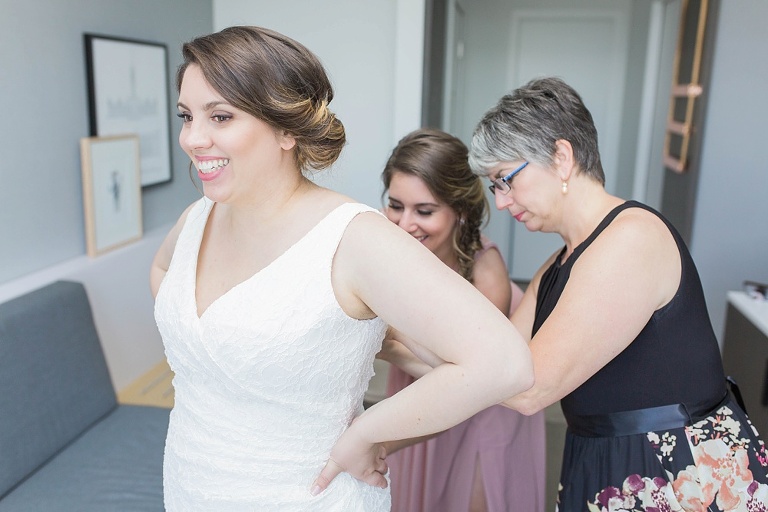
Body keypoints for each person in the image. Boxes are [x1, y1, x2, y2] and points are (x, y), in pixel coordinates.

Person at [149, 26, 534, 511]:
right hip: (190, 484)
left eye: (220, 116)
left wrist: (369, 431)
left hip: (303, 495)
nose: (192, 139)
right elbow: (165, 274)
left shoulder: (354, 238)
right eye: (186, 116)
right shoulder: (197, 217)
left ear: (288, 128)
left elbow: (504, 364)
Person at [466, 76, 768, 510]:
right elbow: (496, 360)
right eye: (495, 186)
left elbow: (526, 388)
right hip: (601, 459)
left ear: (561, 157)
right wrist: (397, 345)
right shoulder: (552, 269)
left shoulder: (631, 240)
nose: (501, 201)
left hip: (676, 468)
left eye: (506, 179)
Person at [377, 128, 546, 512]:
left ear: (461, 212)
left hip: (484, 411)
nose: (405, 224)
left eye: (424, 211)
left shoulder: (485, 269)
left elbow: (472, 378)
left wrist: (389, 345)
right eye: (395, 205)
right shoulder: (391, 251)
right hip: (421, 394)